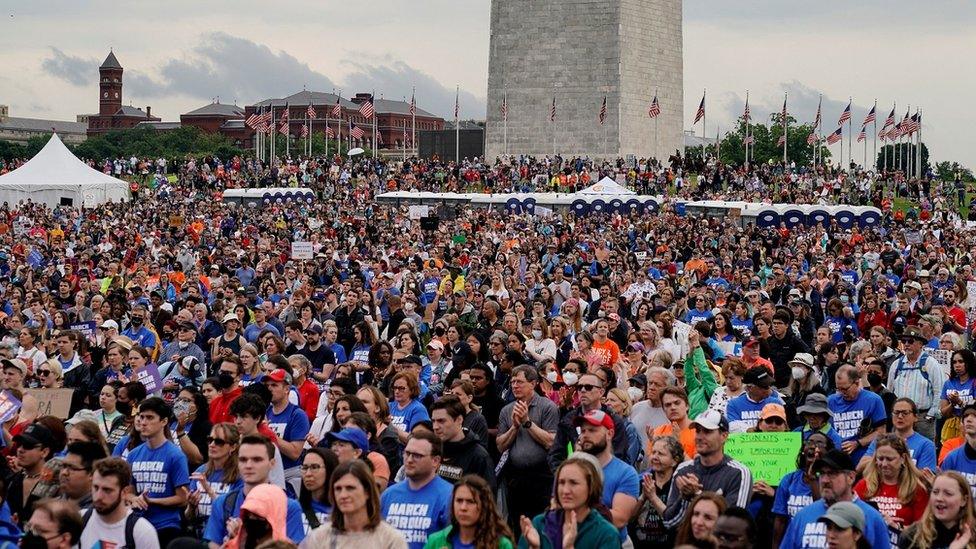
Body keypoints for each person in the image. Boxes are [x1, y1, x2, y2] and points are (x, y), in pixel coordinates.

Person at [204, 435, 306, 548]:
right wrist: (234, 541)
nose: (249, 465)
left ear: (272, 463)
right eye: (243, 459)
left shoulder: (289, 507)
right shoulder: (223, 503)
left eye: (257, 460)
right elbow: (213, 544)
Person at [779, 449, 891, 549]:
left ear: (851, 477)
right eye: (821, 473)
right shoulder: (802, 516)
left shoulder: (872, 518)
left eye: (832, 473)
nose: (824, 480)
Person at [663, 409, 752, 529]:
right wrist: (684, 498)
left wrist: (696, 495)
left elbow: (732, 524)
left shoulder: (739, 473)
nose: (699, 436)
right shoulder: (683, 470)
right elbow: (669, 523)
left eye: (707, 431)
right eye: (698, 431)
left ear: (724, 436)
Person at [496, 364, 559, 533]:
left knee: (542, 527)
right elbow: (501, 445)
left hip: (543, 479)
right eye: (512, 382)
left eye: (519, 382)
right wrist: (515, 427)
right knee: (518, 527)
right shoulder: (507, 410)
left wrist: (527, 423)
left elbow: (551, 442)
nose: (514, 386)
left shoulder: (547, 407)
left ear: (533, 383)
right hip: (516, 480)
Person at [517, 454, 621, 549]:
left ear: (591, 487)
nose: (565, 490)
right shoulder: (539, 524)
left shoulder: (605, 534)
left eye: (573, 483)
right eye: (561, 483)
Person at [124, 396, 190, 546]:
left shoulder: (175, 455)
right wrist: (134, 499)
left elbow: (182, 498)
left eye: (150, 417)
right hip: (138, 524)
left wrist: (152, 501)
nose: (143, 422)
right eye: (141, 417)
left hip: (166, 525)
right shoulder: (134, 454)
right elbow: (128, 491)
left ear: (164, 421)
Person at [299, 460, 407, 548]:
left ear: (367, 492)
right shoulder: (319, 538)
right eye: (338, 489)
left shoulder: (390, 539)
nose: (343, 495)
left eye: (350, 488)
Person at [575, 408, 640, 543]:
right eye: (583, 431)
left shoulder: (625, 473)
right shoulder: (572, 469)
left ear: (610, 434)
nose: (585, 435)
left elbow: (619, 519)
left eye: (592, 430)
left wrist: (576, 512)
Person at [380, 431, 454, 549]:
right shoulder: (389, 495)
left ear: (435, 461)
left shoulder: (450, 496)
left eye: (417, 455)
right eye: (407, 453)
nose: (409, 460)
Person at [853, 434, 929, 545]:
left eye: (890, 459)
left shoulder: (916, 489)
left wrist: (896, 527)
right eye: (880, 459)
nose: (884, 464)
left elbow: (923, 531)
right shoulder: (864, 486)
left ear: (903, 458)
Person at [549, 370, 629, 469]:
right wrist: (566, 476)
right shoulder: (568, 419)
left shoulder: (614, 420)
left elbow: (619, 455)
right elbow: (556, 454)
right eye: (579, 387)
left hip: (605, 479)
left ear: (601, 392)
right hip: (576, 477)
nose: (582, 390)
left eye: (588, 387)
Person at [79, 457, 160, 549]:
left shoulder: (142, 532)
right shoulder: (79, 520)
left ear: (124, 492)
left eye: (107, 490)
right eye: (96, 488)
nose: (99, 496)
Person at [423, 475, 514, 549]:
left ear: (484, 505)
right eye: (459, 501)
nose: (463, 508)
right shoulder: (436, 541)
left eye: (471, 501)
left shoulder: (500, 544)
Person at [888, 326, 946, 441]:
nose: (906, 344)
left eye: (910, 341)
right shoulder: (896, 365)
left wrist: (931, 415)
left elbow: (939, 391)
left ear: (920, 344)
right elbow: (890, 391)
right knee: (899, 452)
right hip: (900, 417)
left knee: (924, 453)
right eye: (904, 341)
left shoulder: (931, 364)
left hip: (923, 418)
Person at [187, 423, 244, 537]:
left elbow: (233, 515)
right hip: (200, 535)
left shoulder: (240, 476)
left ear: (233, 447)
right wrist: (192, 506)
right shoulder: (201, 471)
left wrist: (209, 490)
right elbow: (188, 516)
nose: (212, 445)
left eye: (219, 442)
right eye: (210, 440)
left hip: (224, 537)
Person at [430, 395, 496, 488]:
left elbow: (487, 498)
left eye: (441, 421)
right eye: (433, 421)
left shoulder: (479, 457)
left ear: (459, 420)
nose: (435, 427)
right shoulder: (431, 451)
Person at [630, 435, 684, 547]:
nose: (655, 457)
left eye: (661, 454)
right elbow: (629, 519)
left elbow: (674, 522)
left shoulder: (679, 485)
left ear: (675, 461)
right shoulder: (641, 481)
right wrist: (643, 497)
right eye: (653, 452)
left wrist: (653, 497)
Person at [898, 471, 976, 549]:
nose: (939, 498)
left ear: (964, 500)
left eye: (948, 493)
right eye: (935, 492)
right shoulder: (912, 536)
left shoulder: (973, 536)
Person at [263, 367, 310, 496]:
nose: (269, 389)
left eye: (274, 385)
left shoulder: (297, 415)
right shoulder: (265, 412)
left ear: (286, 389)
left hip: (288, 478)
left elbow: (295, 452)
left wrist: (269, 433)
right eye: (267, 385)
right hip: (268, 476)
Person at [858, 397, 937, 473]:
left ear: (915, 417)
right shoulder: (880, 440)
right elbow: (860, 468)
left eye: (905, 413)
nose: (899, 416)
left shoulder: (926, 444)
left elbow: (926, 476)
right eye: (896, 413)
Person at [829, 364, 887, 465]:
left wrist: (857, 443)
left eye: (845, 389)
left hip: (864, 459)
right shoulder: (830, 401)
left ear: (856, 383)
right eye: (838, 389)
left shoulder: (873, 400)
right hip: (837, 460)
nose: (842, 393)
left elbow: (881, 432)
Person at [7, 422, 61, 525]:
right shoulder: (14, 480)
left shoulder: (55, 484)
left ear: (44, 452)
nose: (20, 450)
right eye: (19, 445)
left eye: (28, 446)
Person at [222, 483, 293, 549]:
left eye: (257, 515)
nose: (251, 518)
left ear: (274, 518)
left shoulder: (287, 547)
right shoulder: (233, 546)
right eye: (248, 514)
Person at [726, 365, 785, 433]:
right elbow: (732, 427)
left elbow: (782, 426)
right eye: (764, 386)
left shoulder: (776, 403)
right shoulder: (734, 404)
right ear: (750, 388)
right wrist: (751, 430)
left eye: (769, 385)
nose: (769, 389)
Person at [58, 441, 107, 508]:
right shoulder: (53, 506)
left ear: (92, 474)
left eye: (72, 468)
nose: (64, 472)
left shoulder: (100, 512)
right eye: (63, 466)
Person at [299, 447, 338, 531]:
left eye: (314, 467)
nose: (308, 474)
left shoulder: (344, 511)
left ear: (330, 469)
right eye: (305, 468)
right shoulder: (293, 509)